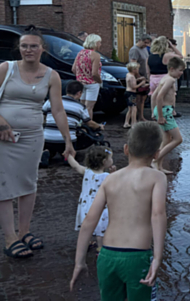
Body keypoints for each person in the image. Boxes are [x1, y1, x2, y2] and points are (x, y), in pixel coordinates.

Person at [70, 122, 167, 300]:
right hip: (137, 257)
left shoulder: (110, 179)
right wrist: (157, 258)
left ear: (126, 149)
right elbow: (158, 215)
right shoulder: (157, 177)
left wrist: (79, 261)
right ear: (156, 154)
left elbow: (89, 222)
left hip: (107, 256)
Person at [0, 27, 74, 259]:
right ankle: (10, 237)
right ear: (18, 48)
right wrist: (2, 123)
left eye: (33, 46)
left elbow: (58, 109)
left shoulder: (52, 75)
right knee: (4, 186)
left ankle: (25, 231)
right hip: (4, 136)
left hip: (32, 137)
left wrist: (68, 140)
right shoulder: (6, 68)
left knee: (29, 184)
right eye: (24, 46)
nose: (28, 50)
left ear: (42, 49)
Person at [41, 81, 105, 166]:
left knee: (50, 145)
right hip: (66, 141)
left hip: (48, 138)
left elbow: (42, 114)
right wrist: (99, 126)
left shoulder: (51, 101)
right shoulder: (80, 106)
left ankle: (46, 152)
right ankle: (68, 157)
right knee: (76, 137)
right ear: (79, 93)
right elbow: (89, 123)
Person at [68, 146, 114, 253]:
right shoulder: (107, 176)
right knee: (100, 229)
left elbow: (76, 166)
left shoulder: (87, 171)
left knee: (86, 226)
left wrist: (69, 156)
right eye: (110, 158)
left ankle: (86, 243)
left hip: (85, 205)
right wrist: (113, 173)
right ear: (104, 162)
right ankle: (100, 249)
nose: (112, 160)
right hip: (99, 206)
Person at [152, 57, 186, 174]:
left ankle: (159, 166)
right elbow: (159, 97)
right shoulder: (170, 80)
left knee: (166, 139)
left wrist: (154, 111)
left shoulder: (164, 78)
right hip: (165, 111)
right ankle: (154, 160)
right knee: (178, 139)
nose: (181, 73)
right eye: (180, 70)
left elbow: (153, 96)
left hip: (164, 110)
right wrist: (160, 116)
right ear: (172, 69)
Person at [72, 34, 102, 119]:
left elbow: (73, 69)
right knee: (89, 108)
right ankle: (89, 128)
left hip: (81, 83)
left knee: (82, 106)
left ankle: (81, 126)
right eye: (99, 42)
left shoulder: (80, 53)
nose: (100, 44)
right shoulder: (95, 55)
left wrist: (81, 77)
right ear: (95, 43)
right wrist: (100, 81)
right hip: (92, 84)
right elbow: (94, 73)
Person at [129, 36, 152, 122]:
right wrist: (138, 76)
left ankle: (141, 116)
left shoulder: (145, 49)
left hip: (145, 77)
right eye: (145, 42)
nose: (147, 45)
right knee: (138, 98)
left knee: (143, 98)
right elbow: (133, 64)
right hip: (139, 78)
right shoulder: (135, 50)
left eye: (148, 43)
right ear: (139, 40)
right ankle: (138, 117)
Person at [124, 63, 147, 129]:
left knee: (130, 109)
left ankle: (126, 123)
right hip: (131, 94)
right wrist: (141, 83)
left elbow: (131, 82)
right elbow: (134, 87)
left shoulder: (128, 75)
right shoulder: (131, 77)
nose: (138, 70)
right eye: (137, 69)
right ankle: (133, 123)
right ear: (133, 69)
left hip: (128, 93)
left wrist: (138, 80)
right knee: (134, 108)